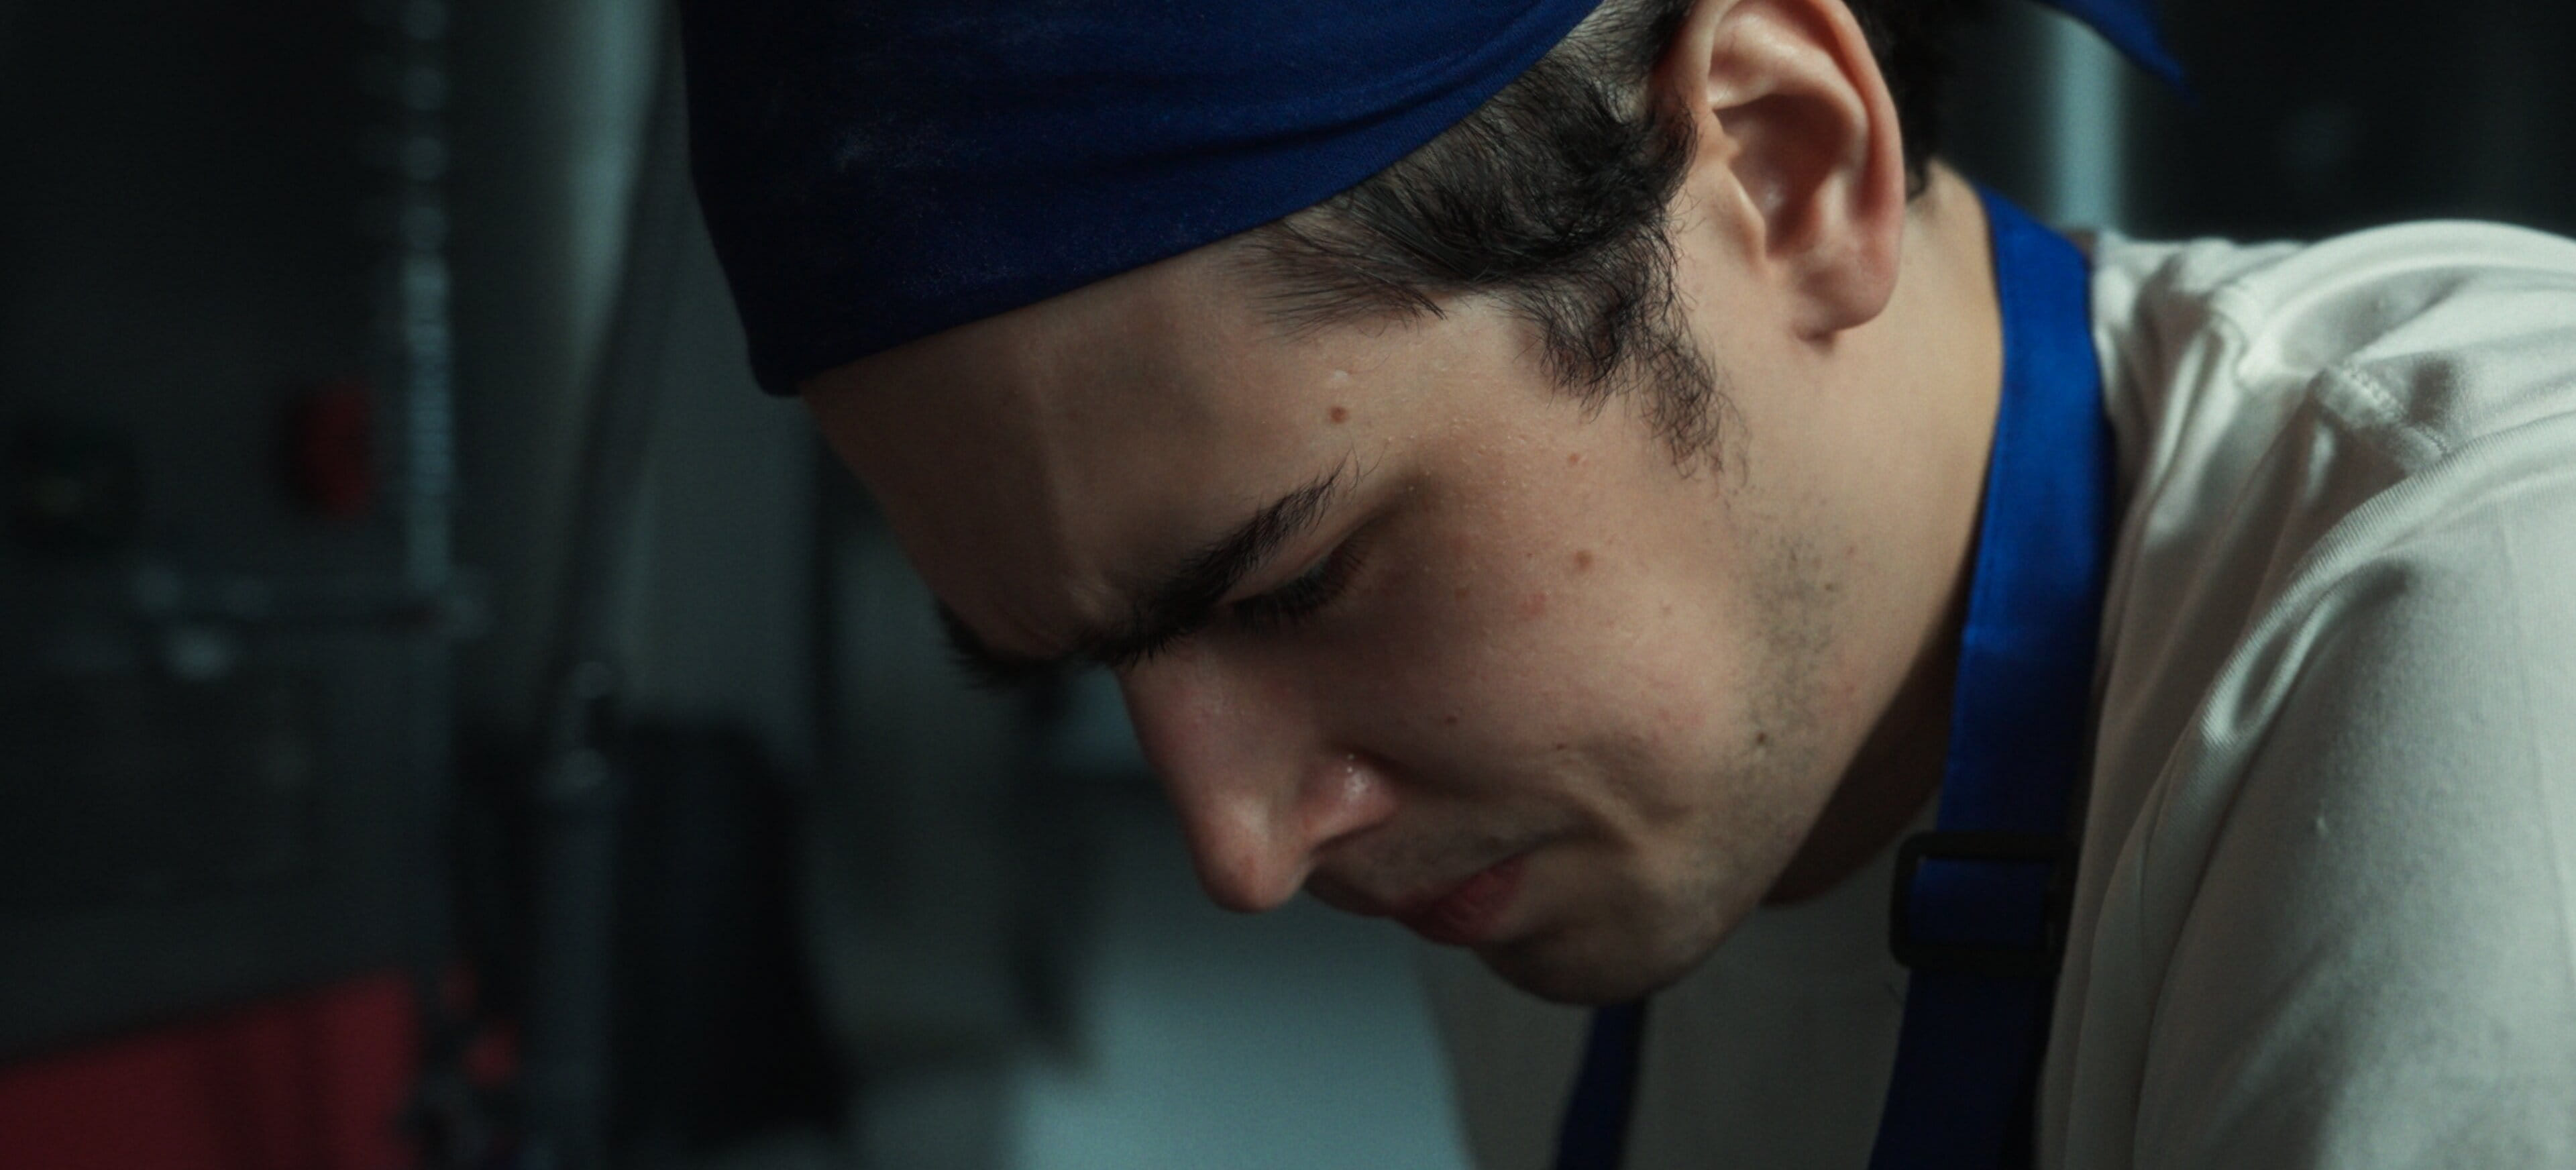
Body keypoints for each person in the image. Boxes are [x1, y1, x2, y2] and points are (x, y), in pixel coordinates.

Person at [678, 0, 2576, 1165]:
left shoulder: (2491, 619)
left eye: (1296, 586)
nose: (1245, 850)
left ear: (1784, 163)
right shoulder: (1578, 815)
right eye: (1076, 664)